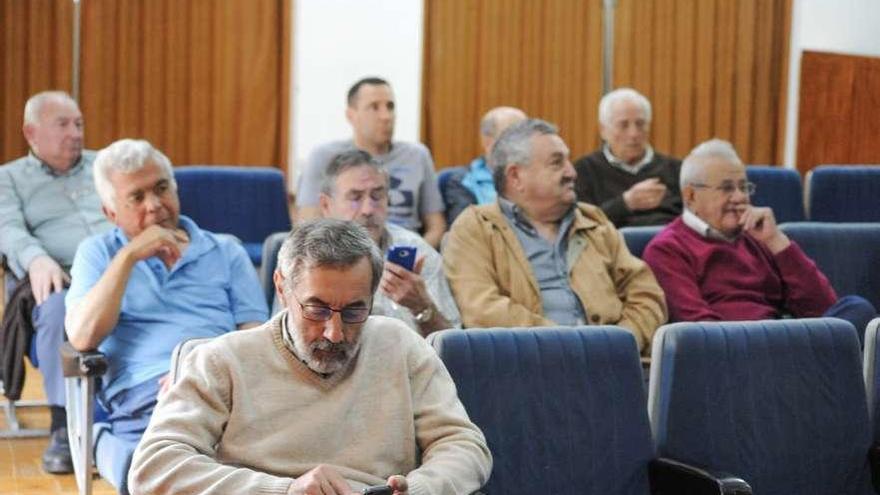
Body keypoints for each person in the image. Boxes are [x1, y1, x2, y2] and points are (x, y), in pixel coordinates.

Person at [128, 219, 492, 495]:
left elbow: (464, 446)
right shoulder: (223, 360)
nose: (335, 333)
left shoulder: (401, 346)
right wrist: (283, 491)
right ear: (282, 288)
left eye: (353, 312)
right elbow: (154, 466)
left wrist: (422, 488)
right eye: (317, 310)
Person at [64, 139, 268, 494]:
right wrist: (128, 258)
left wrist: (198, 365)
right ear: (112, 213)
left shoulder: (226, 249)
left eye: (161, 188)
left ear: (175, 188)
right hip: (142, 394)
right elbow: (82, 338)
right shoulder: (97, 253)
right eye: (137, 198)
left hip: (221, 381)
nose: (155, 205)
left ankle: (142, 462)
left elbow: (256, 336)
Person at [443, 119, 667, 353]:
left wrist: (618, 342)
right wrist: (567, 346)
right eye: (557, 163)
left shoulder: (593, 220)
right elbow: (482, 310)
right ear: (515, 176)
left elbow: (646, 293)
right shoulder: (476, 227)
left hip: (613, 363)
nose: (571, 172)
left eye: (568, 161)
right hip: (526, 367)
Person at [642, 139, 876, 335]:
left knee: (857, 309)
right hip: (731, 352)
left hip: (785, 339)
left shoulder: (758, 236)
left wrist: (776, 241)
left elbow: (822, 306)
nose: (739, 197)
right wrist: (764, 340)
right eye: (727, 188)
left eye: (744, 187)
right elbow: (699, 329)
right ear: (691, 196)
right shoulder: (667, 249)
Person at [0, 90, 112, 473]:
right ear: (31, 133)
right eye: (62, 124)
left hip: (121, 267)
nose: (75, 133)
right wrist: (35, 258)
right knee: (55, 308)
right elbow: (7, 228)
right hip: (61, 274)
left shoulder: (106, 164)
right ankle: (65, 424)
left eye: (78, 123)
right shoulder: (9, 178)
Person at [319, 149, 461, 335]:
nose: (368, 209)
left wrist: (422, 308)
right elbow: (282, 343)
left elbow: (451, 346)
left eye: (377, 196)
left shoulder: (416, 253)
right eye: (355, 197)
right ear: (326, 205)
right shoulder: (306, 256)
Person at [295, 77, 447, 248]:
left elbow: (436, 226)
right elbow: (307, 224)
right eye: (374, 107)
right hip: (344, 251)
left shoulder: (417, 155)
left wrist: (414, 256)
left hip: (404, 252)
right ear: (351, 115)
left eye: (390, 107)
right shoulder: (324, 156)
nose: (386, 116)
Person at [573, 87, 682, 227]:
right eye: (623, 125)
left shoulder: (676, 169)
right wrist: (625, 203)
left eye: (640, 124)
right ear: (603, 130)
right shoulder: (583, 170)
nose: (633, 134)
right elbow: (580, 224)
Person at [441, 106, 527, 225]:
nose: (522, 144)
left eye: (526, 136)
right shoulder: (463, 181)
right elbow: (465, 231)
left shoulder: (538, 177)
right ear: (488, 141)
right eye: (513, 136)